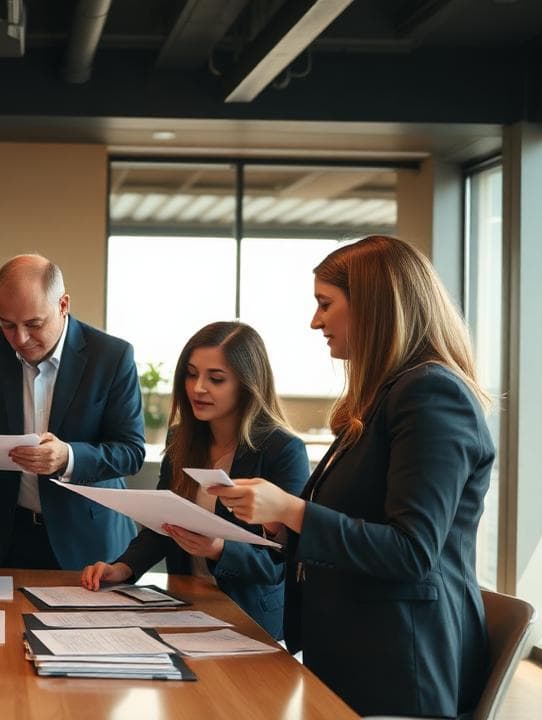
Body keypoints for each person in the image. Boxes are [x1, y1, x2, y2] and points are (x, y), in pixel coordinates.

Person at [210, 235, 493, 718]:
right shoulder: (386, 396)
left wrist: (292, 510)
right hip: (357, 653)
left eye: (325, 304)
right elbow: (360, 520)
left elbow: (412, 551)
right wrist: (285, 523)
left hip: (402, 670)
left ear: (374, 306)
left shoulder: (431, 395)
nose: (315, 320)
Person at [80, 321, 308, 639]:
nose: (198, 388)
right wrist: (123, 568)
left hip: (250, 621)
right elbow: (163, 525)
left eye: (216, 379)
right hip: (187, 609)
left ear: (247, 385)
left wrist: (217, 549)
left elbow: (279, 565)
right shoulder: (181, 439)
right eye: (191, 374)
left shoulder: (283, 450)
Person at [0, 254, 144, 570]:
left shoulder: (111, 356)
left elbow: (131, 452)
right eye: (7, 325)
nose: (20, 339)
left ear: (63, 305)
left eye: (33, 324)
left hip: (89, 538)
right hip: (6, 534)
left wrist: (68, 457)